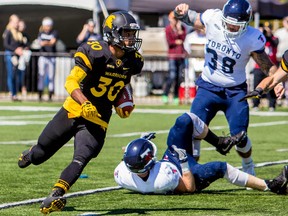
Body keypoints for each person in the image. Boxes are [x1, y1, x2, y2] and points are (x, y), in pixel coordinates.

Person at [17, 11, 144, 214]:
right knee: (41, 153)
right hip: (75, 109)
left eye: (131, 34)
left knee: (81, 159)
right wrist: (84, 102)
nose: (130, 38)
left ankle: (56, 194)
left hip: (98, 118)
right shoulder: (94, 51)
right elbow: (71, 81)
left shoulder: (134, 60)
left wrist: (125, 101)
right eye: (126, 33)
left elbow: (122, 83)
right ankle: (31, 154)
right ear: (112, 34)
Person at [173, 0, 279, 176]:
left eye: (235, 25)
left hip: (235, 92)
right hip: (208, 87)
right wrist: (180, 12)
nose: (230, 27)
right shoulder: (213, 18)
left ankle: (248, 166)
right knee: (193, 129)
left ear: (245, 24)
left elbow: (267, 66)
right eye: (228, 22)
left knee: (240, 136)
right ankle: (191, 171)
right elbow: (190, 18)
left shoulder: (252, 38)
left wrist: (278, 80)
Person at [114, 113, 288, 195]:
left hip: (168, 160)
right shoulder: (162, 180)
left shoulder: (122, 174)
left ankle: (220, 142)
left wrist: (140, 141)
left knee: (184, 120)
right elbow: (189, 188)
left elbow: (129, 156)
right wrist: (183, 162)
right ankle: (270, 185)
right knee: (220, 167)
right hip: (184, 174)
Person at [251, 22, 278, 111]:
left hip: (271, 67)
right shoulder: (259, 39)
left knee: (271, 86)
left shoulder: (274, 39)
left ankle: (272, 105)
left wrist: (267, 34)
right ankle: (255, 104)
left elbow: (274, 42)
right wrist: (261, 33)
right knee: (257, 86)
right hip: (258, 67)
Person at [163, 11, 187, 105]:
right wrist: (177, 40)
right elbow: (170, 42)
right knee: (172, 75)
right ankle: (165, 93)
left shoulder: (182, 28)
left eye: (177, 19)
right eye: (174, 19)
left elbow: (183, 39)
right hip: (172, 56)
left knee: (179, 77)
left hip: (180, 55)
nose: (175, 21)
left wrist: (179, 30)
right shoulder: (168, 29)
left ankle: (176, 96)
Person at [2, 14, 24, 101]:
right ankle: (12, 94)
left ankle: (15, 94)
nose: (17, 24)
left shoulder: (18, 32)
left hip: (15, 56)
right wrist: (15, 50)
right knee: (11, 75)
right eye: (15, 22)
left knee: (15, 75)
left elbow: (21, 44)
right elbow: (6, 44)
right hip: (10, 55)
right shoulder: (8, 31)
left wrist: (21, 48)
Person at [37, 17, 58, 102]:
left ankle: (50, 95)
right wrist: (47, 42)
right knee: (41, 75)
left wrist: (45, 42)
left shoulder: (54, 32)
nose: (48, 27)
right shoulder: (40, 33)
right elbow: (40, 43)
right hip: (43, 56)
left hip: (51, 56)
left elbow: (53, 42)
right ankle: (40, 94)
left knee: (51, 76)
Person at [17, 19, 32, 96]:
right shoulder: (15, 34)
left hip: (23, 58)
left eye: (23, 25)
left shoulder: (26, 36)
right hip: (16, 57)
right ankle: (14, 90)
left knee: (23, 73)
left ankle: (23, 88)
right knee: (15, 74)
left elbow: (29, 45)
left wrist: (25, 48)